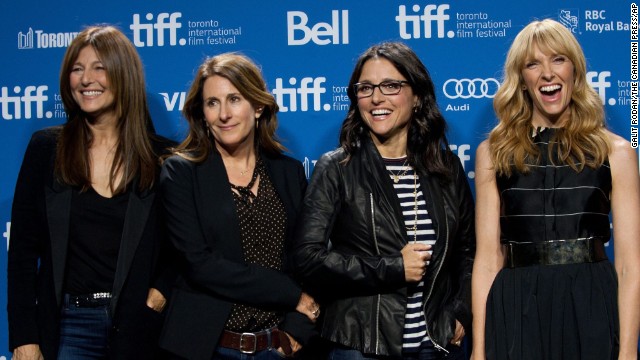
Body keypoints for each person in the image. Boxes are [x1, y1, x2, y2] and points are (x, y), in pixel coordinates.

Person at [293, 42, 475, 359]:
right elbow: (308, 259)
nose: (377, 98)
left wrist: (461, 311)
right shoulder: (336, 168)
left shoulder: (445, 168)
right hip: (361, 345)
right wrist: (392, 267)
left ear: (417, 96)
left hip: (433, 345)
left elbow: (467, 250)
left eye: (391, 85)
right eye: (366, 88)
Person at [471, 19, 640, 360]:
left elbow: (628, 265)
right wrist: (478, 350)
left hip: (590, 301)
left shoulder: (616, 152)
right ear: (522, 80)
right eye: (534, 64)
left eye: (558, 59)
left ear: (574, 71)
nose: (547, 73)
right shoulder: (493, 153)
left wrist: (628, 352)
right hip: (516, 306)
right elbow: (489, 260)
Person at [7, 25, 175, 359]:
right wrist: (24, 338)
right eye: (77, 69)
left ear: (123, 74)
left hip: (140, 328)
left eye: (100, 67)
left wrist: (158, 296)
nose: (86, 79)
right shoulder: (46, 149)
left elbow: (184, 246)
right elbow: (22, 253)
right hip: (69, 327)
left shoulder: (163, 158)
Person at [158, 53, 319, 360]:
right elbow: (200, 264)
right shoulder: (181, 172)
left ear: (258, 106)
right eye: (212, 103)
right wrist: (291, 294)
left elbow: (307, 258)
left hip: (278, 347)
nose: (223, 114)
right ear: (202, 113)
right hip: (207, 347)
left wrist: (298, 328)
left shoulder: (288, 172)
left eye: (234, 99)